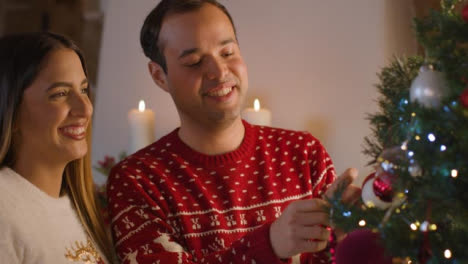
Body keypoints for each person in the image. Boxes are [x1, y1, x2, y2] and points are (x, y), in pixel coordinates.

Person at [107, 0, 360, 263]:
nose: (219, 71)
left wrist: (342, 238)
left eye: (227, 53)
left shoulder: (303, 153)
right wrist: (270, 243)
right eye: (194, 62)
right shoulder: (137, 180)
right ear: (159, 76)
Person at [0, 32, 114, 263]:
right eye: (60, 94)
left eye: (83, 90)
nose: (85, 109)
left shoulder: (81, 208)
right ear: (11, 110)